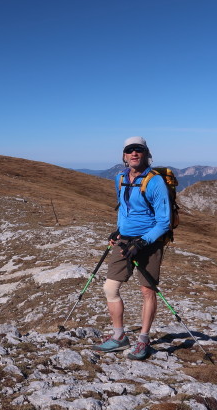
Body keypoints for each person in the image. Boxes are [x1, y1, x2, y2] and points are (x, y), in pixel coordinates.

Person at [92, 136, 171, 360]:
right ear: (124, 156)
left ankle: (143, 341)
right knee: (110, 288)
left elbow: (164, 221)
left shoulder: (155, 181)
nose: (134, 153)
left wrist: (143, 242)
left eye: (139, 150)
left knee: (147, 291)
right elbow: (124, 208)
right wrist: (118, 231)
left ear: (147, 154)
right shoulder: (120, 178)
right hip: (125, 240)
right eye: (130, 150)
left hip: (149, 242)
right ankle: (119, 337)